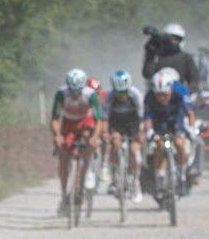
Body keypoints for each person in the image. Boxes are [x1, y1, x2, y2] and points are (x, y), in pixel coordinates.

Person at [49, 68, 104, 216]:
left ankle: (88, 169)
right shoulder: (61, 93)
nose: (74, 94)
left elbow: (99, 121)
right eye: (71, 91)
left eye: (77, 91)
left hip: (86, 121)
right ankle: (64, 194)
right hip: (68, 123)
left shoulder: (90, 94)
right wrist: (57, 135)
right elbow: (54, 119)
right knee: (63, 154)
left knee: (89, 139)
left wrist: (95, 137)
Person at [143, 67, 194, 191]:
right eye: (158, 95)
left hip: (177, 119)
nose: (162, 98)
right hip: (161, 122)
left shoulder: (180, 91)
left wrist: (191, 129)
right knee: (161, 145)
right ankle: (159, 175)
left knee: (179, 143)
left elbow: (190, 113)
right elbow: (147, 118)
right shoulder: (150, 97)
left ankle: (181, 173)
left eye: (165, 95)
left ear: (171, 90)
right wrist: (149, 131)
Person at [103, 68, 146, 204]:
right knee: (115, 143)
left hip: (132, 124)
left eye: (124, 92)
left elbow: (142, 117)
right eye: (118, 93)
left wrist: (141, 132)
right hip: (116, 123)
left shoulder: (136, 95)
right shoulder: (109, 97)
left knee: (134, 151)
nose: (121, 96)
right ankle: (115, 178)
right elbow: (104, 118)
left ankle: (135, 182)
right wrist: (105, 133)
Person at [142, 23, 200, 90]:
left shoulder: (186, 58)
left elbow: (194, 80)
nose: (171, 42)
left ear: (181, 40)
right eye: (168, 39)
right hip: (158, 95)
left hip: (178, 95)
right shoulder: (156, 57)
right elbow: (147, 74)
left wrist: (185, 92)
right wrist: (150, 53)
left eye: (175, 39)